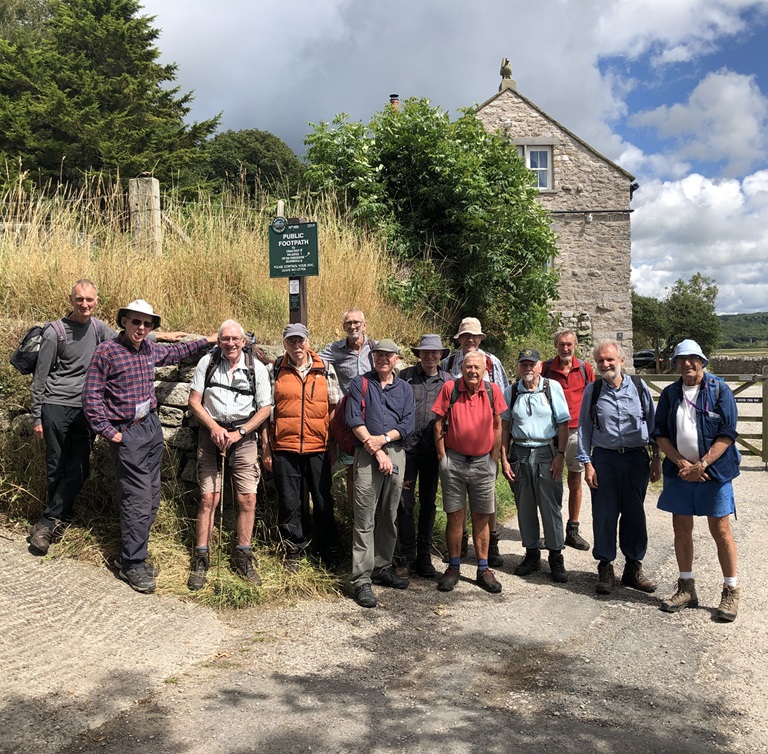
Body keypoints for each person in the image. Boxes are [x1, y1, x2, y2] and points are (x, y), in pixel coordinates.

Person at [28, 280, 183, 555]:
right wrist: (37, 415)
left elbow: (131, 337)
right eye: (79, 299)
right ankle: (52, 521)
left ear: (96, 301)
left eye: (89, 299)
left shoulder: (98, 328)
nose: (84, 304)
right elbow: (40, 378)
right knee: (56, 465)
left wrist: (164, 336)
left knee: (79, 467)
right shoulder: (56, 332)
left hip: (86, 408)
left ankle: (52, 519)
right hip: (56, 404)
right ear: (71, 299)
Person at [83, 299, 216, 594]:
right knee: (137, 500)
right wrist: (110, 433)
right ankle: (131, 563)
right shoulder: (107, 352)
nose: (141, 328)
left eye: (147, 324)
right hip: (127, 433)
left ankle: (131, 556)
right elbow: (91, 397)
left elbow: (176, 352)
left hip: (150, 428)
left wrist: (207, 341)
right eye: (135, 322)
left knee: (152, 497)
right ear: (124, 322)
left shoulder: (148, 349)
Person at [652, 339, 742, 621]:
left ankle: (731, 590)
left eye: (693, 358)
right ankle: (686, 587)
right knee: (681, 528)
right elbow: (661, 433)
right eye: (682, 359)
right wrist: (682, 463)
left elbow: (727, 433)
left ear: (703, 361)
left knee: (721, 531)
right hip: (681, 473)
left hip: (713, 472)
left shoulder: (719, 390)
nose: (687, 363)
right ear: (675, 364)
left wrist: (701, 464)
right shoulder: (670, 394)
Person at [186, 320, 272, 591]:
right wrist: (213, 428)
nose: (231, 344)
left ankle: (243, 555)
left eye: (235, 339)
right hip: (211, 435)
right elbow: (193, 401)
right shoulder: (207, 363)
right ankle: (201, 557)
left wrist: (240, 432)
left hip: (243, 437)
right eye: (225, 339)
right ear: (219, 341)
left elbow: (265, 408)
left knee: (247, 497)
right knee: (209, 497)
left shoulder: (256, 369)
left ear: (244, 342)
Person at [577, 340, 661, 596]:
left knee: (635, 514)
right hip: (605, 459)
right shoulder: (593, 390)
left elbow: (653, 422)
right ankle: (605, 567)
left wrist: (656, 457)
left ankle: (633, 568)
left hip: (636, 459)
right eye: (601, 360)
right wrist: (587, 464)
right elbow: (584, 428)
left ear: (621, 360)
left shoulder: (638, 386)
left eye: (610, 360)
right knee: (604, 513)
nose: (605, 365)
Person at [264, 323, 342, 571]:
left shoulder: (325, 369)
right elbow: (265, 412)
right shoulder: (274, 369)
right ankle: (292, 551)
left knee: (322, 501)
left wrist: (331, 444)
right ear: (284, 343)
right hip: (284, 447)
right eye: (291, 341)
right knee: (289, 502)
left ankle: (328, 548)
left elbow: (333, 408)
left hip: (318, 447)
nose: (296, 346)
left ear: (308, 341)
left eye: (300, 341)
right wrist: (266, 447)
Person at [346, 339, 415, 608]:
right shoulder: (360, 383)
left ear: (397, 358)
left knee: (389, 514)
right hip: (366, 453)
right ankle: (362, 578)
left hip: (395, 451)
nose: (382, 359)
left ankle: (382, 567)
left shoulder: (405, 389)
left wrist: (383, 440)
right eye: (378, 355)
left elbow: (407, 423)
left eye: (388, 355)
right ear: (372, 357)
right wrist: (376, 449)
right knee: (364, 514)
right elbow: (354, 420)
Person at [432, 351, 507, 594]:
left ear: (485, 369)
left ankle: (483, 568)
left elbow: (498, 425)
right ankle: (454, 568)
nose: (472, 371)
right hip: (453, 462)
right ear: (461, 369)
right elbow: (438, 423)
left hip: (483, 462)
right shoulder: (450, 388)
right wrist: (443, 457)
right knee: (455, 516)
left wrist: (494, 459)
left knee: (482, 517)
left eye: (477, 367)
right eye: (468, 367)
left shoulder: (493, 391)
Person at [441, 316, 509, 566]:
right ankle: (463, 546)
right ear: (459, 339)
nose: (470, 340)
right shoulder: (448, 362)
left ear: (480, 339)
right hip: (456, 450)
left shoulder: (492, 362)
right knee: (457, 509)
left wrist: (497, 453)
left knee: (486, 500)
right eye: (465, 336)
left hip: (484, 449)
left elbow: (502, 410)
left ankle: (492, 544)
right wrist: (443, 455)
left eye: (474, 336)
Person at [501, 348, 571, 582]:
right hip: (519, 452)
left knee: (551, 506)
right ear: (519, 367)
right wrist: (503, 457)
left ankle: (555, 556)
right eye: (523, 364)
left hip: (545, 452)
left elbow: (563, 424)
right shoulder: (511, 391)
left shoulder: (552, 388)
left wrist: (560, 455)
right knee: (525, 505)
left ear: (540, 366)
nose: (528, 368)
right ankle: (531, 553)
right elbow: (505, 428)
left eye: (532, 364)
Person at [395, 334, 452, 578]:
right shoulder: (404, 377)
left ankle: (424, 557)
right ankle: (407, 556)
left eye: (435, 352)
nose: (430, 356)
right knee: (404, 504)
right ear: (419, 354)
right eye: (426, 352)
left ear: (441, 355)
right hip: (406, 450)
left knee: (428, 503)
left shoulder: (449, 381)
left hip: (434, 451)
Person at [543, 329, 595, 550]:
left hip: (576, 431)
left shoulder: (585, 369)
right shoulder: (545, 368)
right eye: (562, 344)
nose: (566, 348)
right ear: (555, 345)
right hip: (550, 431)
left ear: (575, 346)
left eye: (569, 345)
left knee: (575, 480)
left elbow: (593, 399)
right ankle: (551, 531)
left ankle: (572, 530)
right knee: (549, 482)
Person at [320, 308, 374, 504]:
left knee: (375, 466)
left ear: (364, 325)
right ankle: (355, 515)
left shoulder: (375, 349)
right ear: (343, 327)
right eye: (348, 323)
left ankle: (374, 516)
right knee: (352, 470)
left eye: (356, 323)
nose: (353, 326)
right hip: (349, 418)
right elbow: (312, 360)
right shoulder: (335, 350)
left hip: (373, 416)